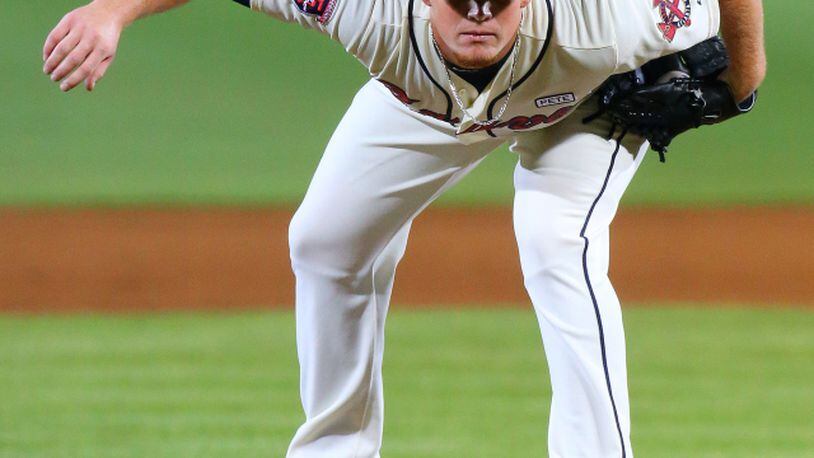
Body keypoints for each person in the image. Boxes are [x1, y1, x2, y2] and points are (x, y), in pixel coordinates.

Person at [43, 0, 766, 456]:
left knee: (556, 243)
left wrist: (742, 81)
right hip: (422, 102)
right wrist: (112, 12)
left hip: (578, 103)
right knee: (325, 240)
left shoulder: (610, 18)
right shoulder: (360, 8)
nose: (478, 12)